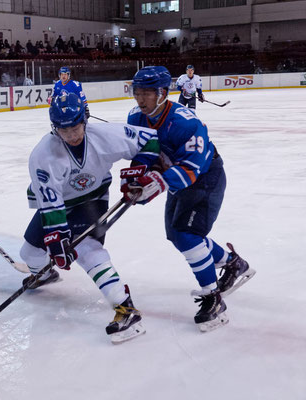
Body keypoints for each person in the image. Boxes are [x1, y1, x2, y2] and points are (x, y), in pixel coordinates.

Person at [122, 66, 255, 332]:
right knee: (175, 234)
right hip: (176, 178)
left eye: (147, 93)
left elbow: (193, 168)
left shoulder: (185, 122)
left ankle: (212, 298)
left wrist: (158, 183)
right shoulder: (136, 116)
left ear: (163, 92)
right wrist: (135, 179)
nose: (140, 99)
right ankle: (233, 263)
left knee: (186, 234)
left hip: (205, 178)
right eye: (137, 93)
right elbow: (145, 151)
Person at [20, 93, 160, 343]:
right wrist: (56, 241)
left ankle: (125, 307)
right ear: (55, 129)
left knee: (86, 247)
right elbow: (51, 203)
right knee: (29, 252)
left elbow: (149, 140)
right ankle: (44, 275)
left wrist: (136, 175)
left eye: (75, 127)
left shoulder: (104, 137)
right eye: (64, 130)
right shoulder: (43, 155)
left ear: (85, 120)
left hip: (93, 199)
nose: (72, 135)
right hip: (60, 203)